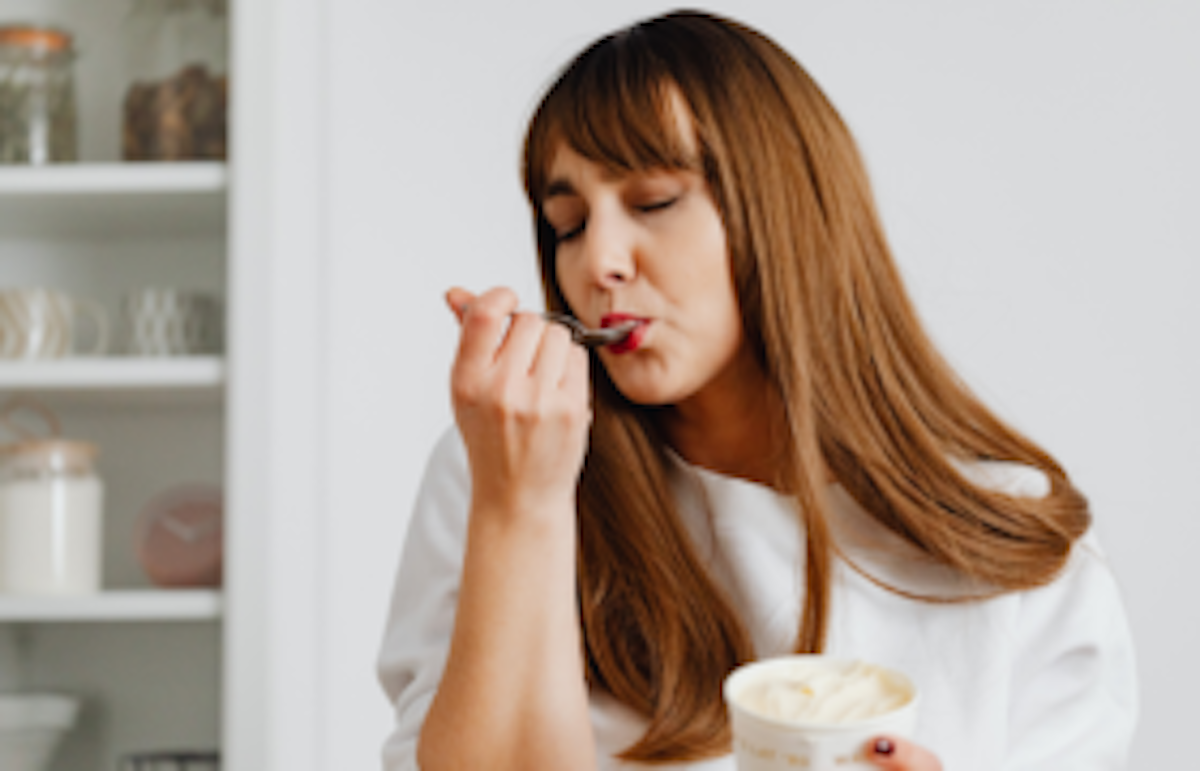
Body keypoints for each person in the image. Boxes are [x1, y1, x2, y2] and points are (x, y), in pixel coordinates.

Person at [377, 10, 1137, 770]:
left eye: (653, 203)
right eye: (567, 223)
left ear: (784, 209)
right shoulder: (502, 468)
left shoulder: (1017, 545)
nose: (596, 261)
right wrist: (523, 507)